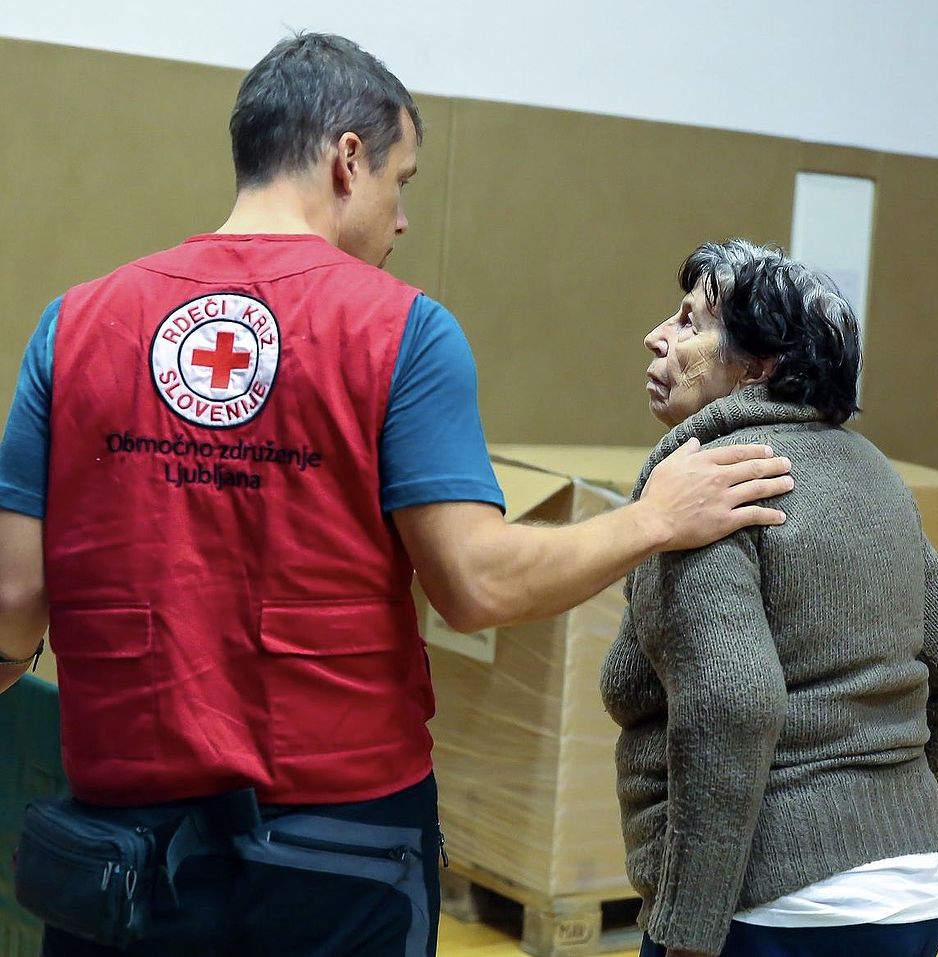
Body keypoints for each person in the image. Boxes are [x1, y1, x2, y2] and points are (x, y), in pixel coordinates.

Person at [0, 37, 794, 957]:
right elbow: (476, 584)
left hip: (120, 845)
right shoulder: (399, 328)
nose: (404, 218)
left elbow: (13, 604)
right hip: (341, 847)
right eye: (403, 181)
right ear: (348, 160)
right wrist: (656, 517)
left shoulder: (74, 324)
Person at [600, 238, 938, 957]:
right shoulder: (876, 474)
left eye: (691, 322)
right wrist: (899, 814)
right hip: (913, 896)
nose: (657, 335)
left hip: (777, 911)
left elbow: (731, 702)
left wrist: (690, 930)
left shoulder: (709, 484)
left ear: (758, 368)